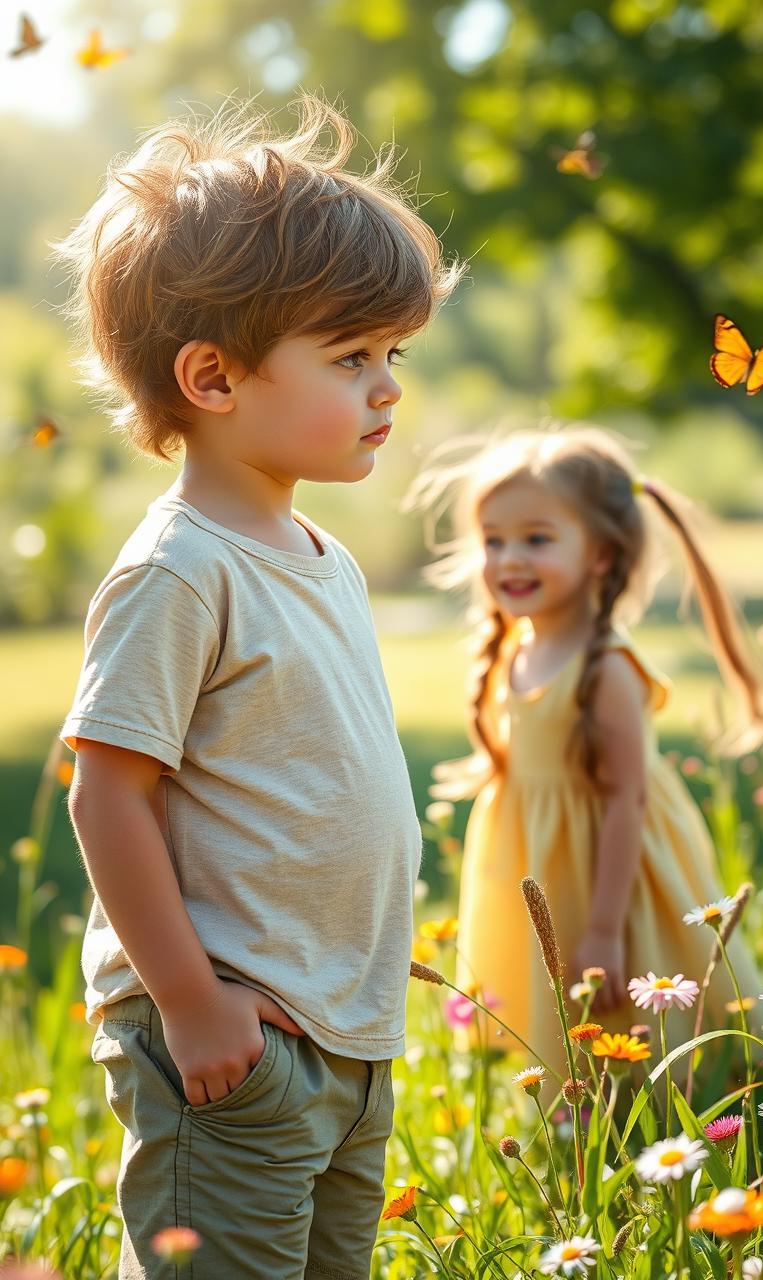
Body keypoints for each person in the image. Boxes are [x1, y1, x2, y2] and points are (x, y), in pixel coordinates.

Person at [55, 95, 460, 1279]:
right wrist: (190, 1001)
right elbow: (106, 795)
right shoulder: (179, 570)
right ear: (214, 377)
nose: (387, 387)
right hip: (233, 1036)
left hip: (341, 1036)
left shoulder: (314, 556)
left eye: (394, 354)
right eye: (350, 356)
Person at [406, 426, 763, 1081]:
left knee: (619, 1012)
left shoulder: (607, 669)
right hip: (540, 860)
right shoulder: (520, 649)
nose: (509, 559)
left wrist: (603, 928)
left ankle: (669, 1122)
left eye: (537, 539)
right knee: (554, 1012)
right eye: (493, 540)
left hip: (609, 871)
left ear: (601, 553)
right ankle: (572, 1131)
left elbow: (625, 802)